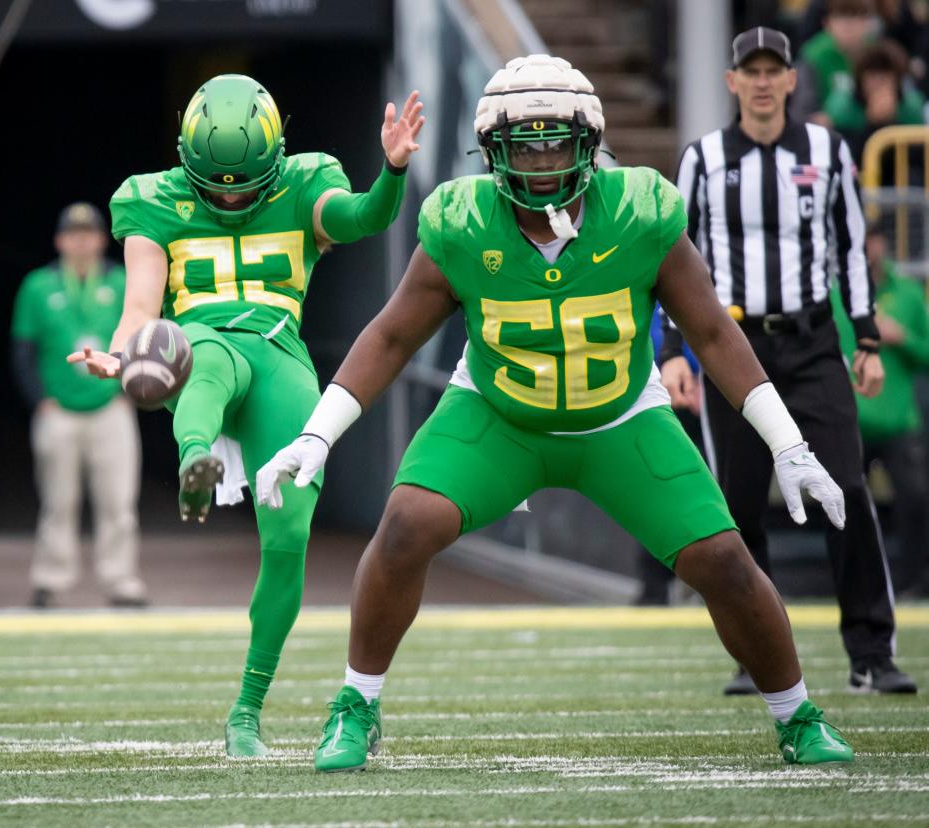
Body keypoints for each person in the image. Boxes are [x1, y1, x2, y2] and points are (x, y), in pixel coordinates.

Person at [257, 54, 857, 772]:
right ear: (491, 151)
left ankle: (798, 716)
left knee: (723, 560)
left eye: (556, 141)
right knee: (406, 523)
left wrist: (787, 444)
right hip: (498, 413)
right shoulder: (460, 221)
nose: (542, 160)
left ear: (590, 141)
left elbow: (712, 333)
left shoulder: (640, 210)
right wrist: (318, 435)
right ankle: (355, 706)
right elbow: (389, 335)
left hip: (620, 418)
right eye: (524, 144)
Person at [71, 74, 424, 757]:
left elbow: (361, 219)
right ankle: (192, 458)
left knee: (289, 536)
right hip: (195, 343)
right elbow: (142, 308)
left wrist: (393, 170)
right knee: (202, 355)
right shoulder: (154, 197)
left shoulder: (303, 180)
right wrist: (123, 356)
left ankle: (245, 713)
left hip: (278, 350)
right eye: (217, 185)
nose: (231, 196)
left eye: (244, 185)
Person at [660, 27, 915, 695]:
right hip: (731, 348)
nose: (764, 80)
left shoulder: (829, 151)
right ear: (732, 81)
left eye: (775, 69)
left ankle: (871, 652)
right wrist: (671, 351)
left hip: (811, 344)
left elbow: (851, 249)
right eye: (753, 70)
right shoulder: (703, 159)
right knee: (738, 506)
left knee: (847, 490)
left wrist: (864, 339)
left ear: (793, 80)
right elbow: (672, 261)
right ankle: (755, 654)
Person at [11, 202, 145, 609]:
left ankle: (121, 580)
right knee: (58, 499)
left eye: (89, 233)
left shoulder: (123, 281)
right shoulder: (38, 285)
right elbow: (23, 349)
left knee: (118, 501)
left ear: (102, 240)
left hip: (110, 406)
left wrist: (128, 392)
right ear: (59, 240)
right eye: (73, 233)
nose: (81, 241)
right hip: (59, 409)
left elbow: (146, 339)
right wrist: (40, 401)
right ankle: (51, 579)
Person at [832, 225, 929, 595]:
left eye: (872, 238)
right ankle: (852, 583)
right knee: (844, 502)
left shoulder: (906, 293)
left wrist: (901, 337)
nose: (867, 247)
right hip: (850, 418)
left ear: (883, 243)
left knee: (915, 499)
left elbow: (927, 352)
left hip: (898, 420)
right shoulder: (831, 294)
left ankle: (913, 583)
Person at [824, 39, 926, 156]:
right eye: (872, 77)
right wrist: (872, 124)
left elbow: (918, 158)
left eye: (885, 77)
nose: (878, 84)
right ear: (860, 80)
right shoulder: (843, 108)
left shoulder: (911, 106)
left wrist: (891, 122)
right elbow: (847, 156)